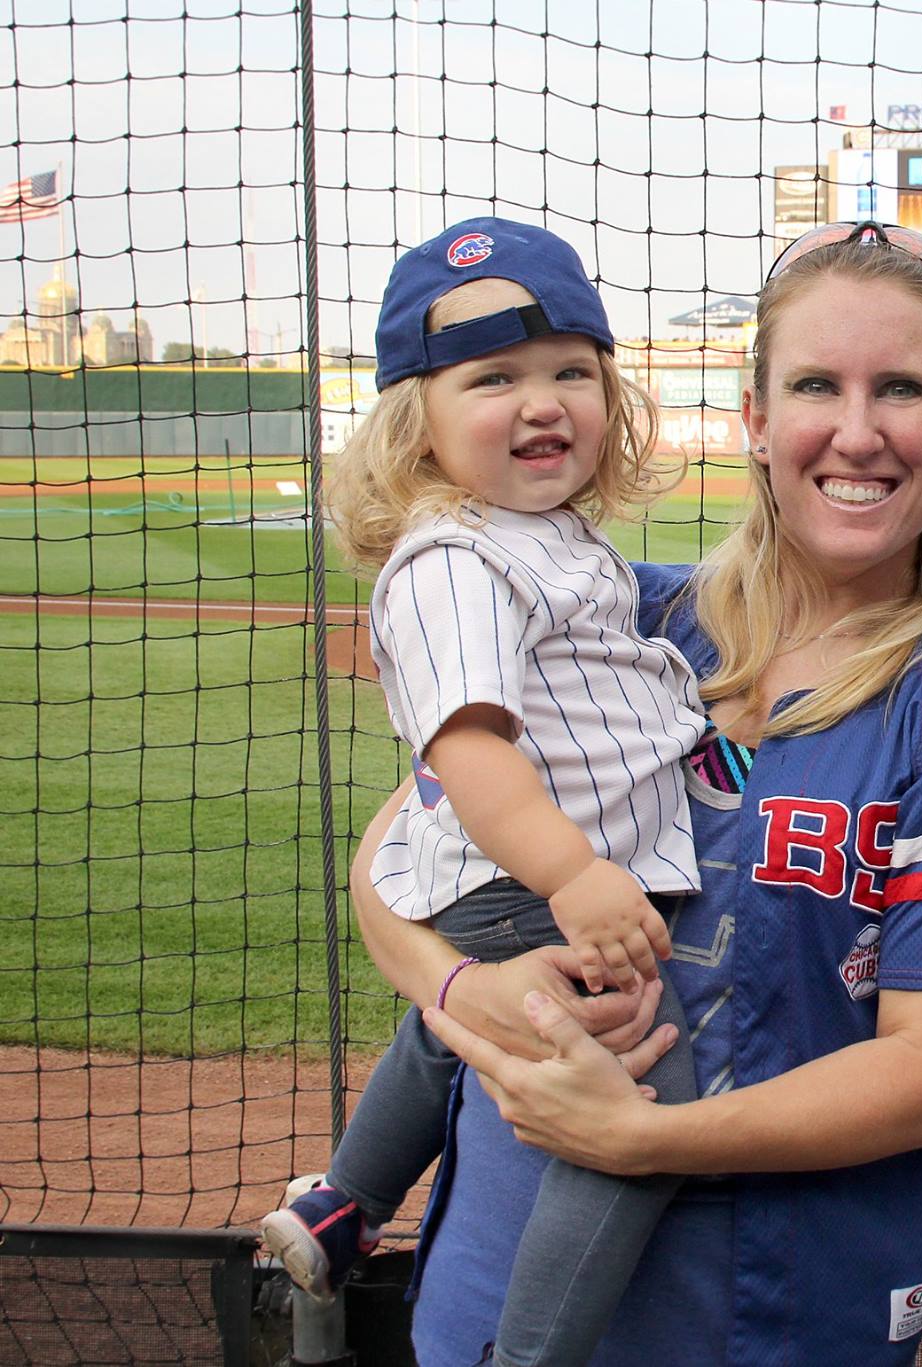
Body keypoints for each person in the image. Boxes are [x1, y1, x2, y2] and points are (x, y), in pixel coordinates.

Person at [357, 221, 922, 1367]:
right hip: (497, 1273)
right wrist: (459, 986)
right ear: (754, 418)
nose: (857, 430)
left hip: (772, 1311)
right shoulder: (614, 616)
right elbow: (393, 862)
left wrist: (645, 1136)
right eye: (815, 385)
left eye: (901, 389)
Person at [261, 216, 711, 1367]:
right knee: (642, 1103)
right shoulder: (455, 554)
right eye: (493, 377)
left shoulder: (552, 540)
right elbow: (468, 752)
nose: (542, 399)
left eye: (571, 369)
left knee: (448, 1026)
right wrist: (576, 874)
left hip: (510, 887)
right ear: (418, 421)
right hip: (533, 882)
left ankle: (344, 1200)